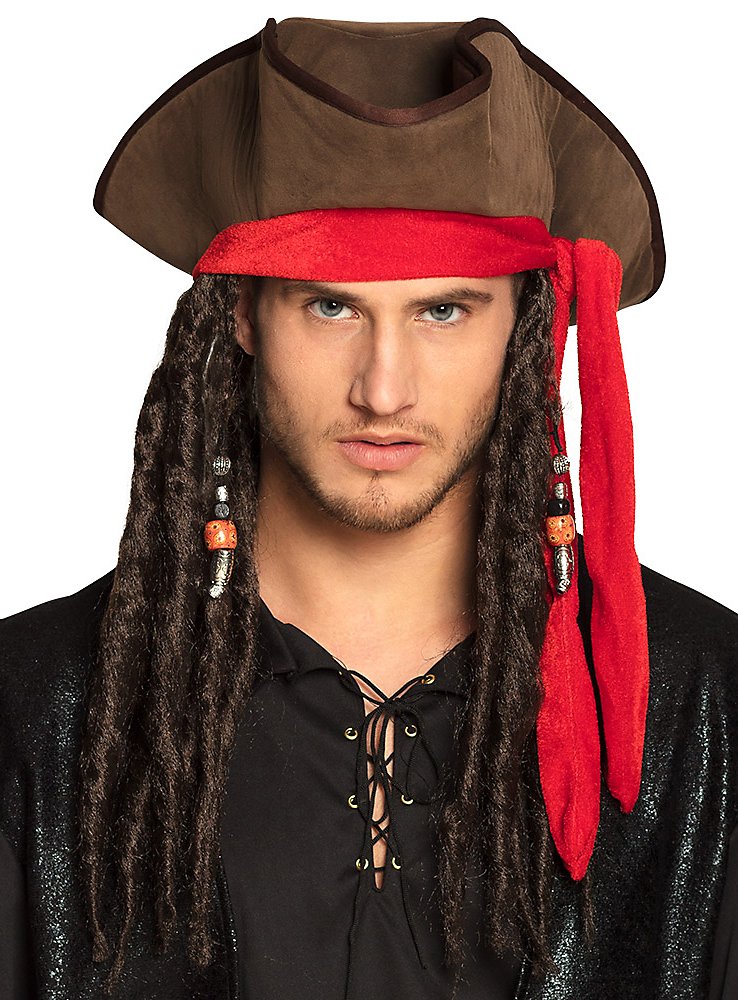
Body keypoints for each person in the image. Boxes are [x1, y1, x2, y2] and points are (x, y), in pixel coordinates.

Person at [1, 14, 736, 1000]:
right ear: (243, 315)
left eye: (444, 310)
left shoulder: (705, 703)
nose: (383, 390)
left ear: (525, 327)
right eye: (331, 305)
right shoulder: (38, 706)